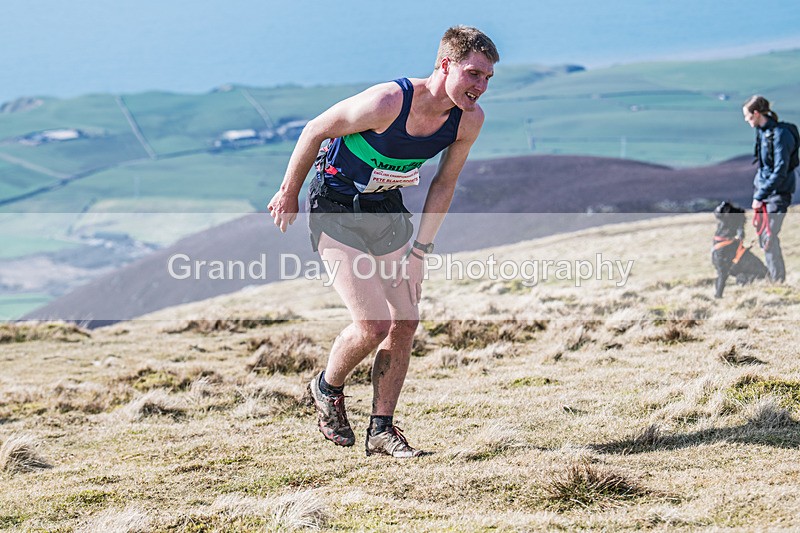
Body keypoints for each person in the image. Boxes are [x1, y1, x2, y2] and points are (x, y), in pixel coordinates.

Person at [267, 26, 499, 458]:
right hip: (334, 207)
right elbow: (315, 129)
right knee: (373, 325)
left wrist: (421, 252)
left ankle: (381, 430)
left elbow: (444, 185)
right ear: (445, 65)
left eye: (487, 78)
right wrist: (288, 191)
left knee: (405, 321)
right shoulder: (387, 102)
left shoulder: (468, 121)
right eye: (473, 74)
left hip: (384, 208)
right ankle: (326, 387)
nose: (481, 86)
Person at [742, 95, 798, 283]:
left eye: (748, 116)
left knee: (770, 236)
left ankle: (777, 281)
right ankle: (773, 279)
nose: (746, 120)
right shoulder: (763, 132)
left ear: (756, 114)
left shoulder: (781, 135)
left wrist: (760, 195)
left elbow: (780, 170)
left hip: (778, 193)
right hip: (764, 190)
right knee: (763, 236)